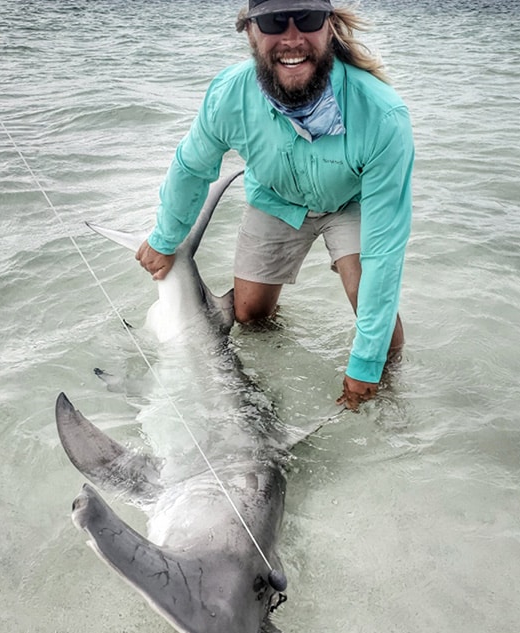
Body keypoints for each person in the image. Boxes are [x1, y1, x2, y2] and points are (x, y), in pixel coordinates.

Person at [136, 0, 414, 410]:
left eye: (307, 19)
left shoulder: (383, 116)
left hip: (349, 203)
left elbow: (384, 251)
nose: (291, 37)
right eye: (272, 21)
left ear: (330, 27)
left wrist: (365, 365)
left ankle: (391, 397)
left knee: (377, 323)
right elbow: (191, 169)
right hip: (275, 198)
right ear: (249, 30)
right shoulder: (229, 94)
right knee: (249, 316)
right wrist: (164, 239)